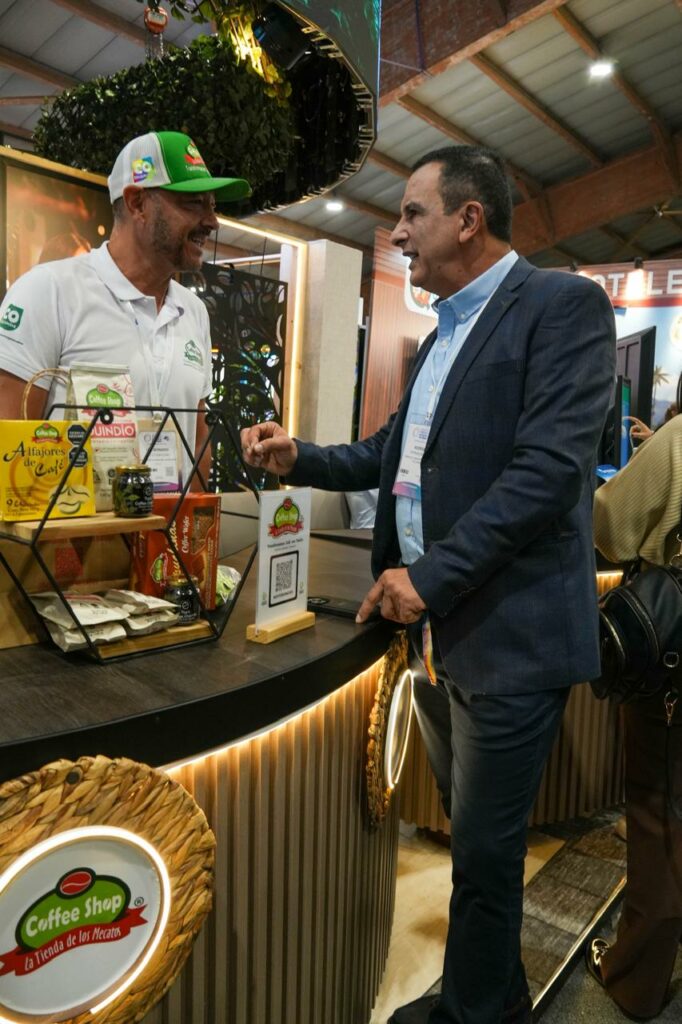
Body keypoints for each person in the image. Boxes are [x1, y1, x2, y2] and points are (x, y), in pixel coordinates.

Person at [242, 145, 616, 1024]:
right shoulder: (446, 332)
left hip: (512, 637)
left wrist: (430, 577)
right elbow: (391, 456)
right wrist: (302, 456)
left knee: (484, 854)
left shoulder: (562, 307)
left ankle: (475, 1012)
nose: (399, 232)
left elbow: (546, 475)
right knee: (472, 840)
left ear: (468, 219)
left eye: (413, 213)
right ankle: (491, 993)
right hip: (445, 637)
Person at [0, 130, 250, 484]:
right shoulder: (49, 291)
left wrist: (192, 517)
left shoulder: (194, 311)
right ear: (137, 203)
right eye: (194, 203)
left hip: (170, 521)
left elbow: (197, 442)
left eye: (212, 205)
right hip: (74, 521)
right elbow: (8, 451)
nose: (212, 222)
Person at [588, 414, 682, 1020]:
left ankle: (635, 982)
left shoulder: (679, 440)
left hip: (674, 668)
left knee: (658, 815)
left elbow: (609, 524)